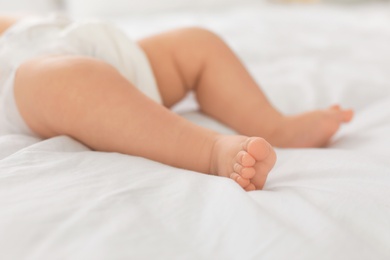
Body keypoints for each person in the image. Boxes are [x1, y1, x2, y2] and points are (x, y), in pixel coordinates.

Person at [0, 14, 353, 191]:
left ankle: (275, 125)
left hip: (105, 51)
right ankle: (210, 151)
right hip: (27, 85)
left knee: (196, 42)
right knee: (63, 79)